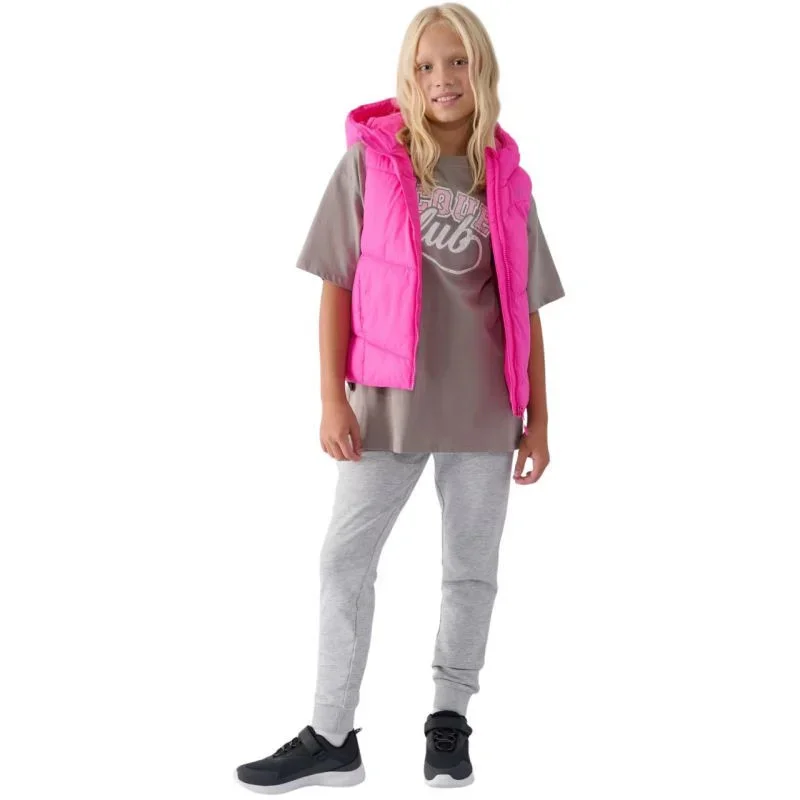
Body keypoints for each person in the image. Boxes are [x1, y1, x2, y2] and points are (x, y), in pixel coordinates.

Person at [235, 2, 565, 793]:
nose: (441, 78)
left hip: (485, 409)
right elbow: (335, 283)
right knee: (344, 559)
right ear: (408, 78)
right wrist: (331, 399)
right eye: (425, 66)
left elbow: (525, 308)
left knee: (470, 569)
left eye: (456, 62)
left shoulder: (508, 182)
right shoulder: (371, 166)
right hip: (385, 403)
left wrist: (541, 419)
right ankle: (331, 734)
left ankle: (449, 721)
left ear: (481, 70)